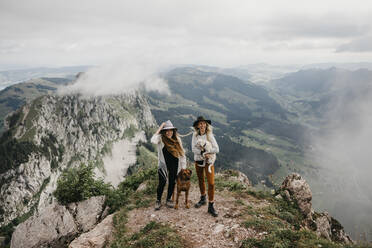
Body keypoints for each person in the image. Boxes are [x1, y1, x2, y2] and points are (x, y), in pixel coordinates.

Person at [151, 120, 187, 210]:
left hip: (174, 164)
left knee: (172, 182)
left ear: (173, 131)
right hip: (163, 164)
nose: (168, 132)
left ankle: (168, 199)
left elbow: (182, 154)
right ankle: (158, 200)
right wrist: (160, 127)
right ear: (164, 131)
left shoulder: (177, 140)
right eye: (166, 130)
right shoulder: (160, 138)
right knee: (162, 182)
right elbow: (153, 140)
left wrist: (183, 168)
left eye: (170, 130)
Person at [192, 116, 219, 217]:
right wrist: (203, 152)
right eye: (200, 124)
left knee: (211, 183)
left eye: (203, 123)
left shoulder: (209, 135)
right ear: (197, 126)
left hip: (208, 161)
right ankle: (203, 198)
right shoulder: (194, 136)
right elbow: (193, 149)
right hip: (198, 160)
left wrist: (208, 152)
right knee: (200, 179)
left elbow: (216, 149)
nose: (202, 125)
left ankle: (211, 205)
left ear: (206, 125)